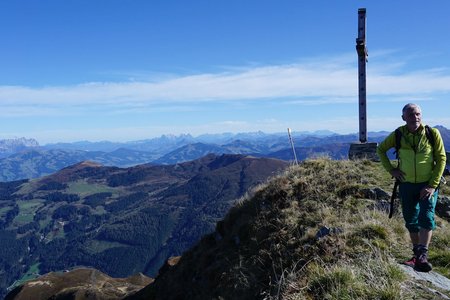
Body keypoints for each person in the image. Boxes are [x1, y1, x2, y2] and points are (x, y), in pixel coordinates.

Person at [377, 103, 446, 272]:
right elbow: (381, 149)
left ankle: (423, 255)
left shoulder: (432, 133)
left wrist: (432, 185)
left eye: (417, 114)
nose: (415, 117)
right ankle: (416, 255)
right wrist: (391, 170)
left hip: (427, 184)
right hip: (407, 185)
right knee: (411, 220)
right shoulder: (398, 134)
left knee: (427, 217)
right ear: (403, 118)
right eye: (410, 115)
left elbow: (441, 158)